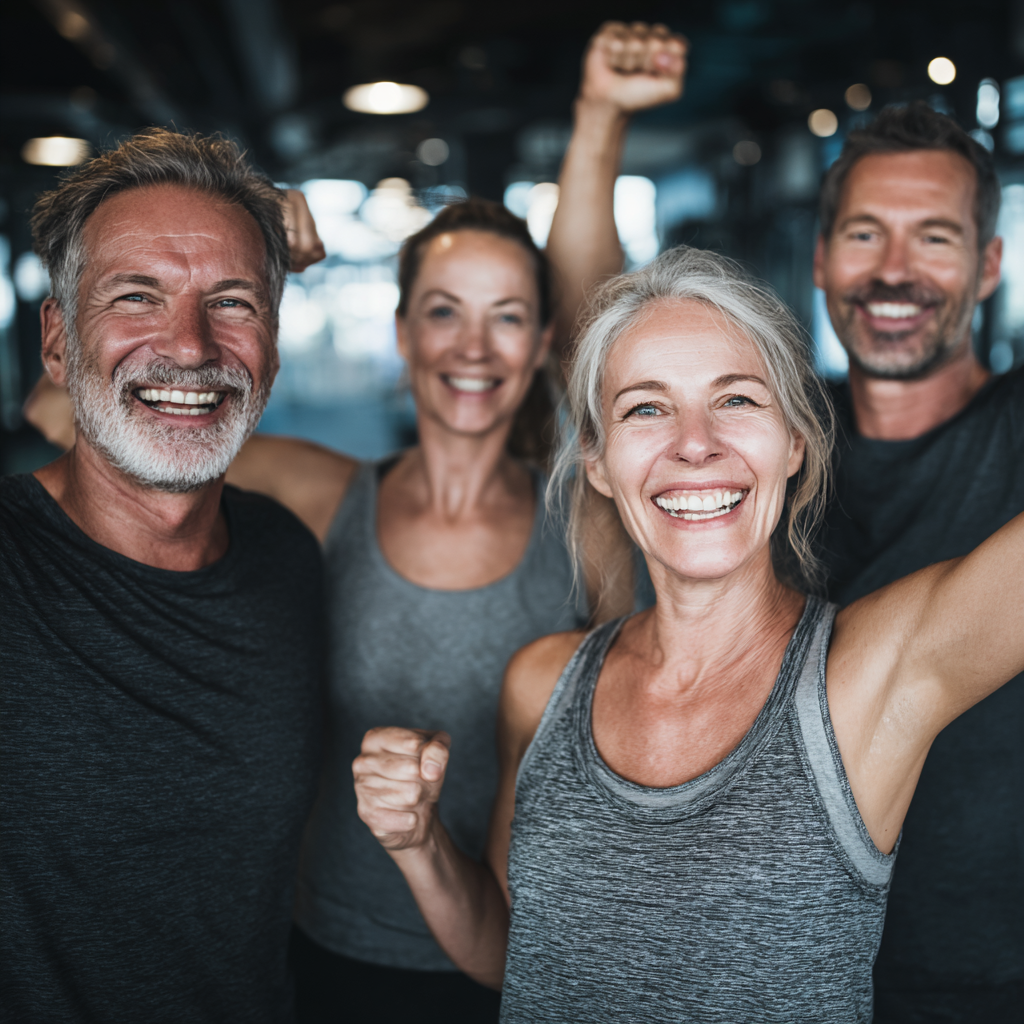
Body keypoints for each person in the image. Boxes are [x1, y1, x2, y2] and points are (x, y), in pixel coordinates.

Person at [353, 245, 1024, 1022]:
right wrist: (419, 844)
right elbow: (514, 954)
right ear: (598, 462)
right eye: (647, 407)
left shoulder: (868, 675)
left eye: (737, 400)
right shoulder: (542, 684)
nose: (695, 442)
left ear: (796, 443)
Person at [545, 22, 1022, 1021]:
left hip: (980, 970)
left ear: (987, 266)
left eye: (933, 237)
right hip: (758, 963)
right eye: (863, 234)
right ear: (818, 257)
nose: (893, 269)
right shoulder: (760, 431)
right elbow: (608, 336)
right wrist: (596, 124)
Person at [0, 129, 325, 1022]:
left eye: (232, 304)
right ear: (59, 344)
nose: (189, 347)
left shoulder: (288, 559)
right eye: (136, 296)